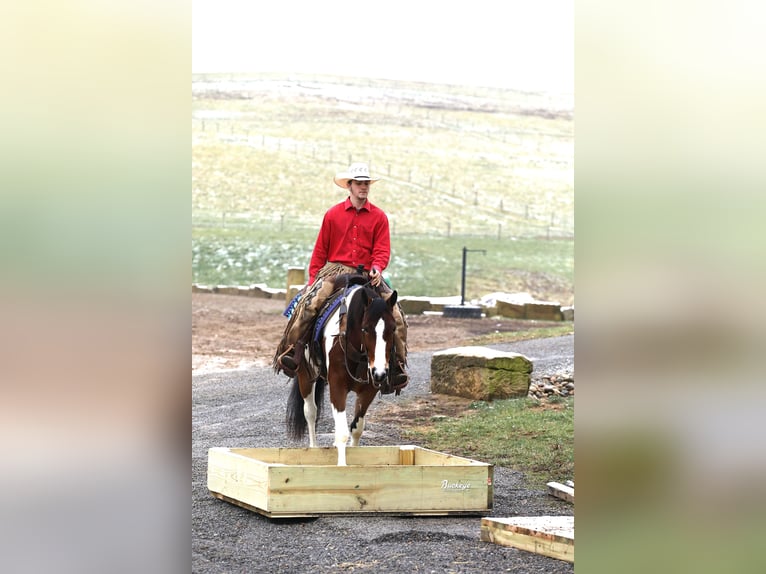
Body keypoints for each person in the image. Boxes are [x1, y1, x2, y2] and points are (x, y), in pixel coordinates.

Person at [273, 162, 409, 393]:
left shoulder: (379, 217)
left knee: (396, 315)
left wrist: (377, 267)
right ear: (350, 186)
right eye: (359, 183)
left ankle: (396, 365)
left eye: (366, 183)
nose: (363, 187)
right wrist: (313, 281)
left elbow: (382, 249)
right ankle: (292, 351)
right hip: (335, 271)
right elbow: (320, 251)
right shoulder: (333, 215)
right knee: (309, 305)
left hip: (368, 275)